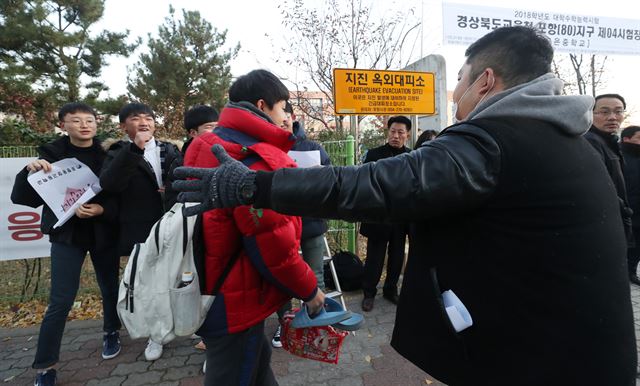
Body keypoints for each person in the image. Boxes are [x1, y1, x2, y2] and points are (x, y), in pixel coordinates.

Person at [173, 27, 637, 385]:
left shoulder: (492, 140)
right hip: (585, 348)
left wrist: (257, 187)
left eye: (459, 78)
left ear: (486, 81)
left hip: (537, 361)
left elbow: (379, 185)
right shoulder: (578, 140)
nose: (455, 92)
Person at [181, 69, 325, 386]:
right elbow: (276, 250)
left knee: (256, 366)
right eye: (284, 107)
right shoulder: (258, 156)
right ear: (263, 105)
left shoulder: (205, 143)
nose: (288, 117)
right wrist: (310, 292)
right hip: (236, 298)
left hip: (204, 286)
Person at [11, 102, 121, 386]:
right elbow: (23, 199)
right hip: (67, 236)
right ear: (63, 125)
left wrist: (102, 211)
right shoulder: (50, 156)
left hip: (102, 233)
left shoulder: (109, 153)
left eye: (90, 120)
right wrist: (28, 172)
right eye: (76, 120)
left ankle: (111, 331)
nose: (85, 125)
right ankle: (45, 365)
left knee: (109, 288)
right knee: (60, 301)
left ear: (97, 124)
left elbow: (120, 195)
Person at [99, 102, 181, 361]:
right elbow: (110, 184)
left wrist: (170, 191)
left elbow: (184, 179)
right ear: (124, 126)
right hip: (140, 228)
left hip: (173, 224)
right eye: (136, 118)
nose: (144, 123)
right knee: (147, 284)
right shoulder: (117, 152)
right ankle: (155, 336)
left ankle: (185, 324)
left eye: (149, 118)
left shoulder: (170, 149)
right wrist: (136, 149)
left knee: (178, 279)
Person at [272, 101, 331, 348]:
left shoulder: (313, 147)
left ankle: (315, 322)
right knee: (282, 276)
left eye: (287, 117)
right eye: (278, 117)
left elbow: (332, 180)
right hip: (279, 224)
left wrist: (319, 179)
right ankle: (283, 324)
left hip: (311, 222)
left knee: (315, 272)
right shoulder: (265, 148)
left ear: (293, 117)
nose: (283, 121)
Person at [359, 116, 411, 312]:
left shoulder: (412, 156)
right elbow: (365, 182)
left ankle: (390, 289)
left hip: (399, 217)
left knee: (397, 256)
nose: (396, 136)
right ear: (387, 132)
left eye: (400, 132)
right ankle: (369, 293)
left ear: (407, 134)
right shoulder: (374, 154)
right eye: (392, 132)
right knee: (375, 257)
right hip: (378, 216)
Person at [584, 94, 634, 252]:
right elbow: (597, 186)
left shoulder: (610, 142)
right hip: (604, 221)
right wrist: (624, 209)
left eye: (618, 111)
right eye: (604, 112)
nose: (613, 117)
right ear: (590, 114)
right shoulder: (591, 141)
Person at [621, 125, 640, 285]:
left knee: (637, 247)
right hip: (625, 211)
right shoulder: (618, 156)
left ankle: (631, 272)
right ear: (626, 139)